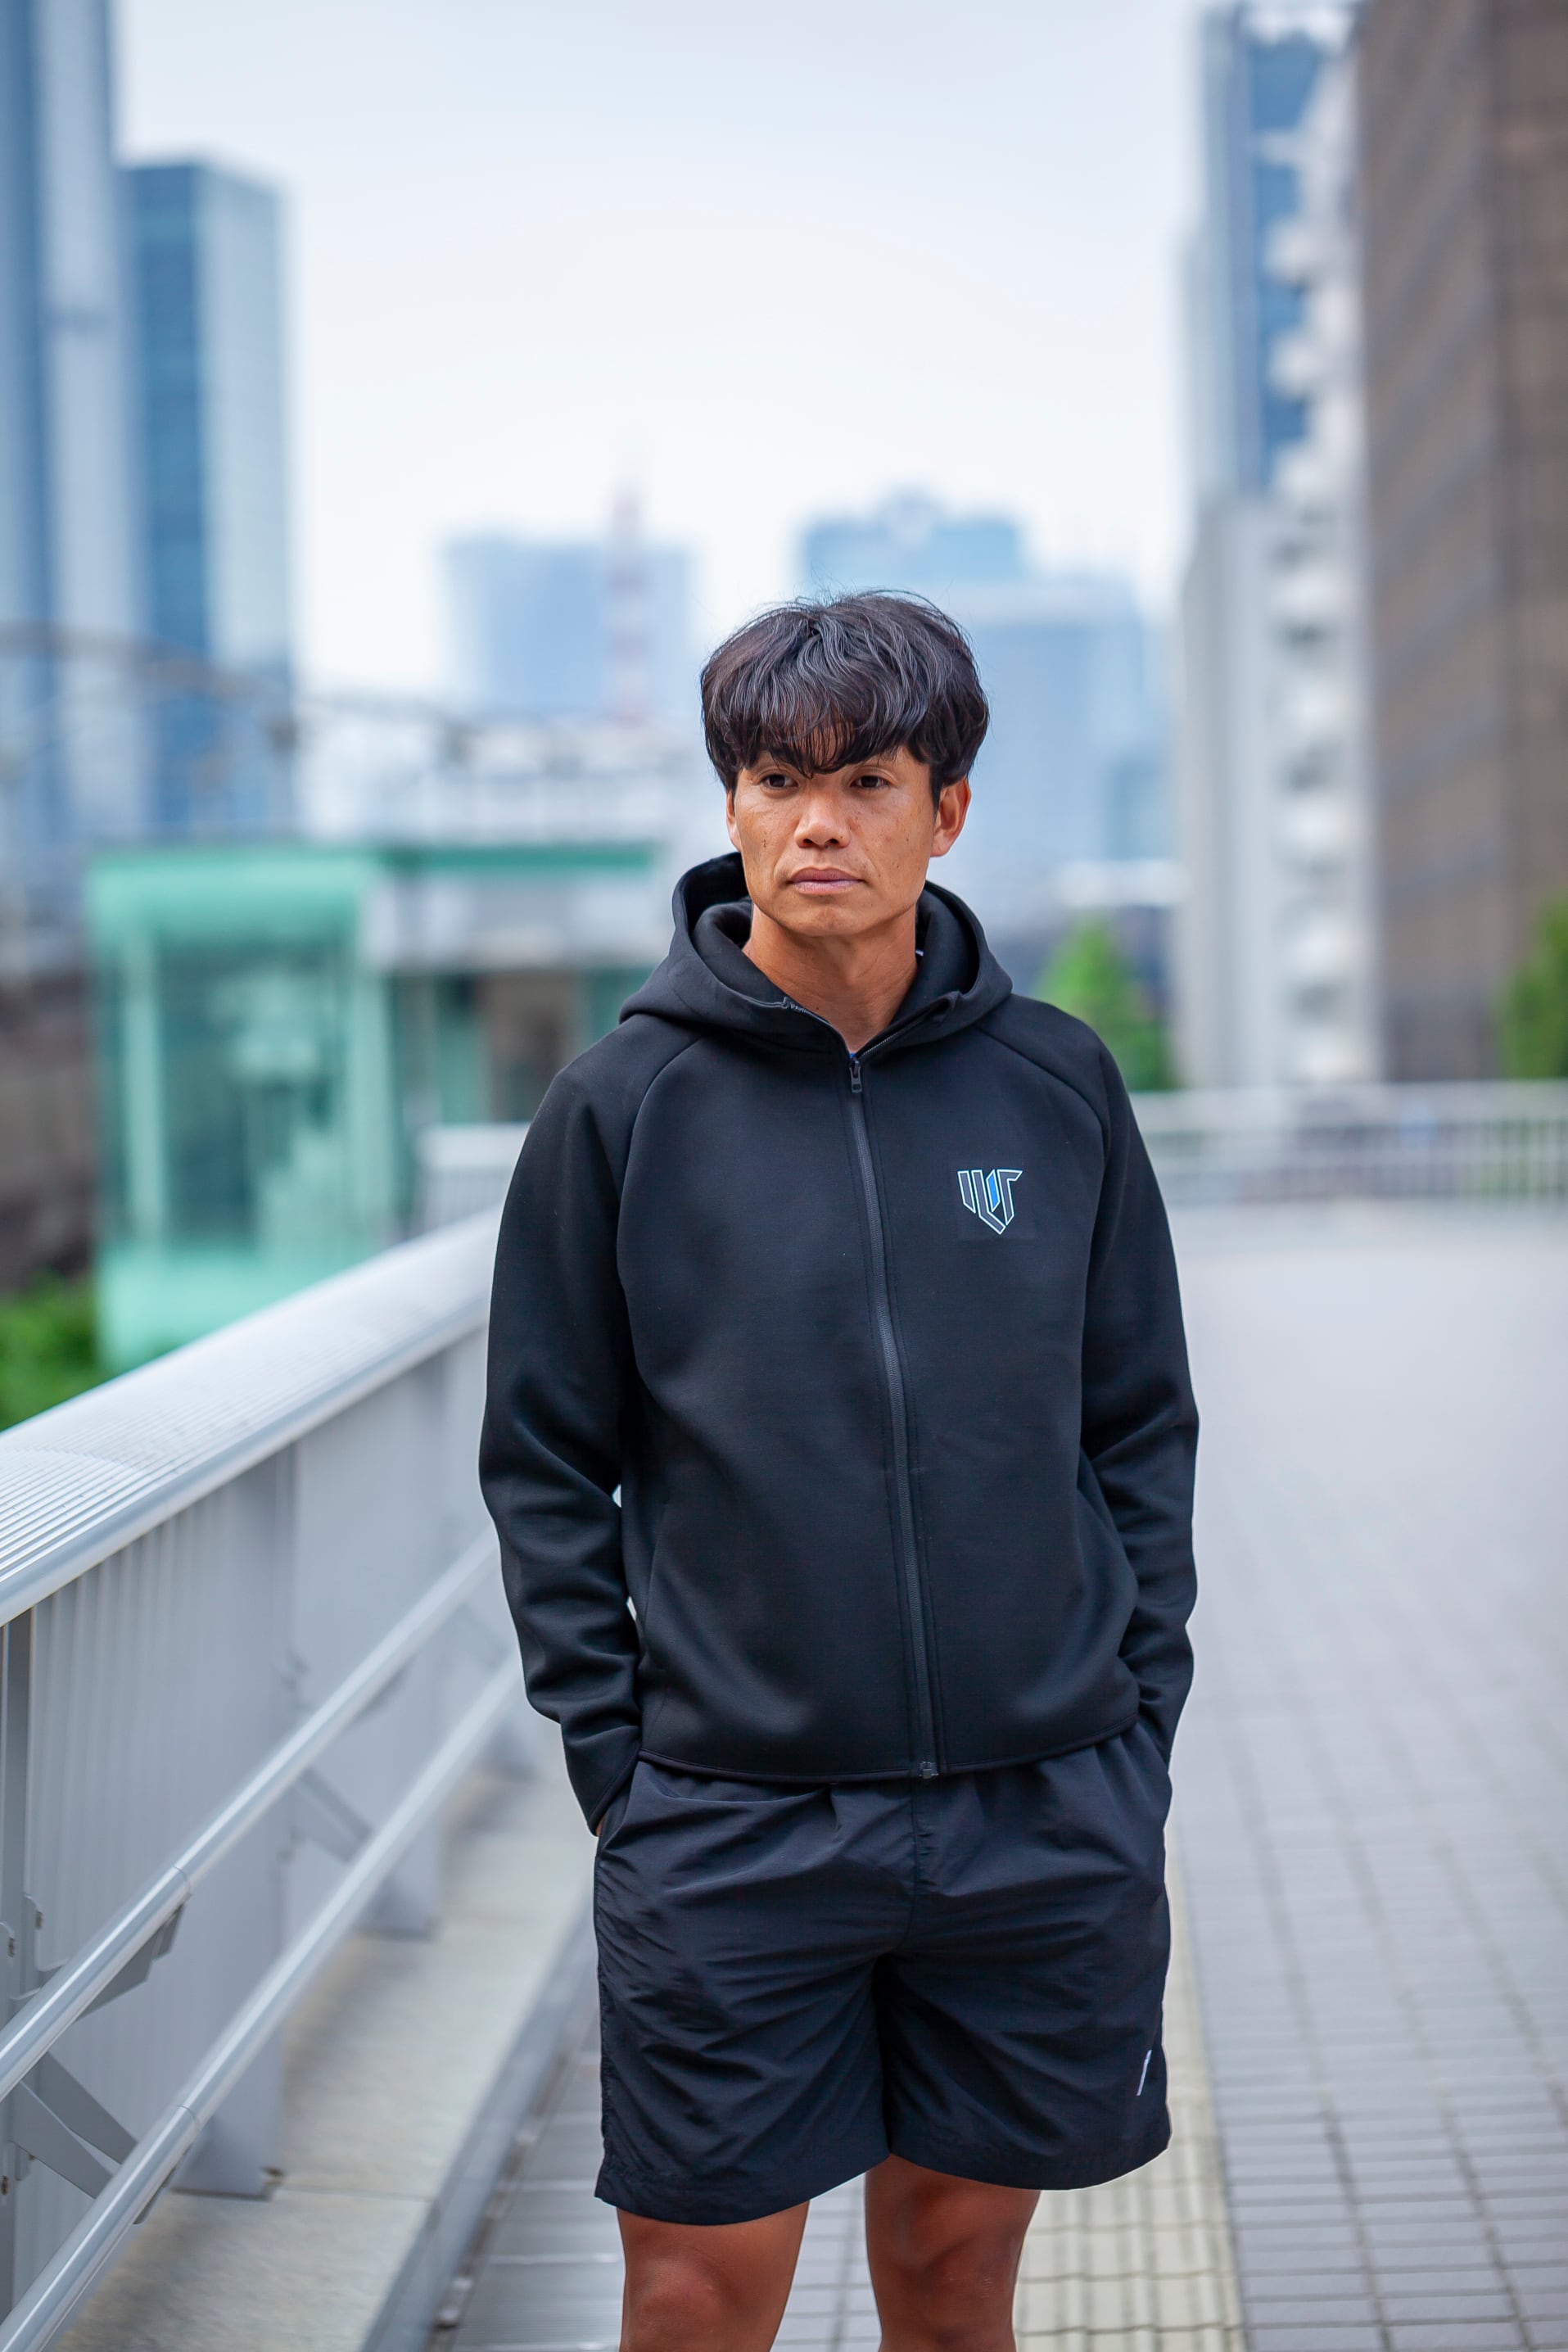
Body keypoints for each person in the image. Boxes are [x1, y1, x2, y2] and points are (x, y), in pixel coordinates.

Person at [481, 592, 1198, 2352]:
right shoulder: (619, 1107)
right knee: (692, 2292)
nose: (816, 822)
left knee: (955, 2287)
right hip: (732, 1821)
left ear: (944, 812)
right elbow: (547, 1460)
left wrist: (1131, 1720)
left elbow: (1137, 1423)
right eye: (775, 778)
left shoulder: (1056, 1084)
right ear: (730, 804)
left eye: (865, 781)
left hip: (1037, 1803)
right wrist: (621, 1764)